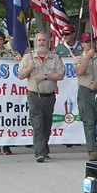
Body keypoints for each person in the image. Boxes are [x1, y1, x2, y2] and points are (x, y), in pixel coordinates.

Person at [19, 32, 65, 163]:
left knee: (46, 123)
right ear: (35, 42)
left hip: (49, 96)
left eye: (44, 40)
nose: (41, 42)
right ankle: (40, 152)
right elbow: (20, 75)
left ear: (48, 42)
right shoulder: (28, 57)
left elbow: (60, 75)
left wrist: (45, 76)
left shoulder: (55, 58)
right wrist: (29, 68)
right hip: (34, 95)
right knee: (37, 123)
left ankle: (44, 148)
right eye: (39, 40)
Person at [74, 32, 97, 161]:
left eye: (91, 41)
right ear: (82, 44)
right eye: (86, 42)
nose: (89, 44)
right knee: (88, 122)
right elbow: (80, 71)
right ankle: (92, 150)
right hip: (85, 92)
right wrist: (88, 57)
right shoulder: (78, 59)